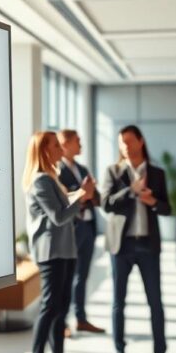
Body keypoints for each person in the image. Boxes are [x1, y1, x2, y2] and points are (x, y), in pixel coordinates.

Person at [101, 125, 176, 353]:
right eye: (120, 142)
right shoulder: (113, 171)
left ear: (140, 141)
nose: (124, 146)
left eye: (128, 141)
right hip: (121, 246)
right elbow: (106, 204)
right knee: (118, 303)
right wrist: (130, 191)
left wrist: (153, 201)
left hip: (148, 245)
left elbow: (167, 208)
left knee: (155, 302)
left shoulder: (156, 173)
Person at [23, 131, 96, 353]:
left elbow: (63, 207)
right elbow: (58, 216)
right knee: (50, 307)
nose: (60, 149)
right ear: (44, 150)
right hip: (50, 253)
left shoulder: (51, 177)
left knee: (61, 309)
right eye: (55, 145)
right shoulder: (40, 180)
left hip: (65, 250)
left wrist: (80, 194)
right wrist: (84, 197)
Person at [56, 129, 106, 335]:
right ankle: (62, 324)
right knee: (66, 278)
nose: (81, 144)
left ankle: (81, 318)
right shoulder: (57, 171)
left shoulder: (83, 169)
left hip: (88, 228)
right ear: (65, 144)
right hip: (71, 230)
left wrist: (90, 193)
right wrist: (83, 195)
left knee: (82, 276)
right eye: (77, 141)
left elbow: (98, 199)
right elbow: (62, 201)